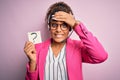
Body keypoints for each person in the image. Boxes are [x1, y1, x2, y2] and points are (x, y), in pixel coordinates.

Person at [24, 1, 108, 80]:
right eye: (54, 25)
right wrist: (33, 62)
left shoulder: (78, 47)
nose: (58, 30)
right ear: (49, 27)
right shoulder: (37, 48)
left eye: (64, 25)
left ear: (70, 28)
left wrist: (76, 25)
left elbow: (101, 56)